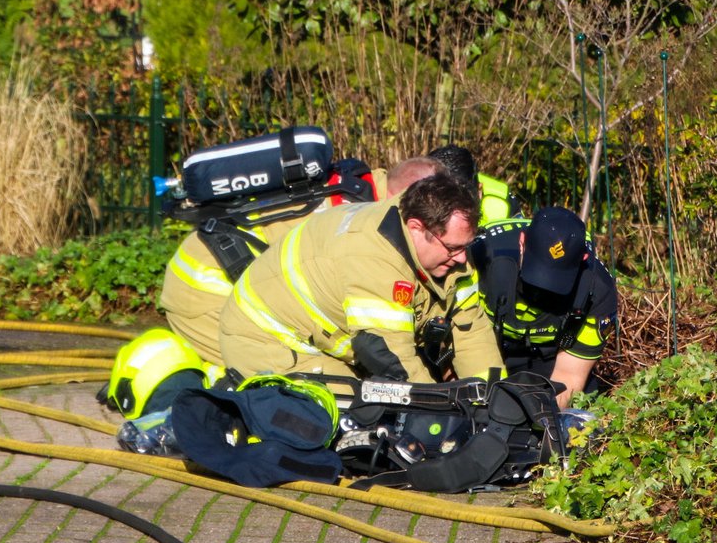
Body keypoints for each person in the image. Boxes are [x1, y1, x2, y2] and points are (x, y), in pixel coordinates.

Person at [217, 172, 504, 383]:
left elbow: (472, 330)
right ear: (416, 228)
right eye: (453, 248)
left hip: (327, 343)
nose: (463, 259)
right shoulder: (373, 255)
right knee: (351, 418)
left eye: (466, 246)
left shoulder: (449, 250)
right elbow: (386, 353)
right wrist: (446, 412)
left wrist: (495, 402)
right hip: (268, 338)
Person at [159, 155, 443, 365]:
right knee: (267, 381)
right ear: (404, 196)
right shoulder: (363, 219)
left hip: (219, 275)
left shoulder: (362, 186)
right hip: (206, 291)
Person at [468, 206, 617, 408]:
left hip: (546, 360)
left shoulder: (597, 289)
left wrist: (543, 420)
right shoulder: (480, 258)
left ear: (582, 260)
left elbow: (570, 375)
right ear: (522, 242)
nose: (542, 291)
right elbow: (460, 338)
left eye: (556, 283)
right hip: (483, 348)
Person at [427, 145, 513, 224]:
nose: (454, 213)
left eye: (462, 201)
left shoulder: (503, 200)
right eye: (443, 200)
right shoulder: (416, 198)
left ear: (479, 191)